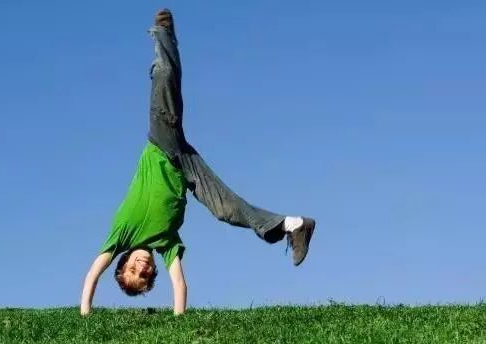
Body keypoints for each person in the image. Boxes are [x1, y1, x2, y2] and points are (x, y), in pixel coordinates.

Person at [80, 9, 315, 316]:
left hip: (161, 144)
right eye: (146, 276)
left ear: (123, 262)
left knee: (165, 77)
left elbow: (92, 275)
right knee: (226, 210)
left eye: (133, 271)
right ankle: (294, 225)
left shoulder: (121, 233)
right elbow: (180, 284)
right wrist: (179, 323)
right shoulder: (167, 245)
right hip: (186, 166)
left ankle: (164, 33)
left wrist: (85, 313)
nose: (142, 268)